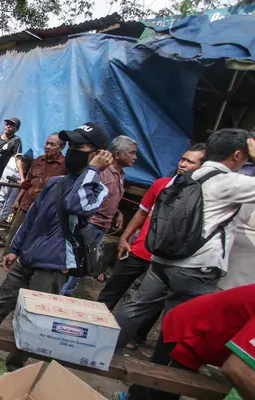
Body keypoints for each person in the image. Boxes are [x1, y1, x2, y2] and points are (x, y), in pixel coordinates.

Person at [0, 123, 112, 368]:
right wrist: (14, 249)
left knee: (32, 319)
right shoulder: (55, 182)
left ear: (97, 154)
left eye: (79, 146)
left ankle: (12, 368)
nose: (71, 151)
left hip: (53, 265)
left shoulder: (98, 190)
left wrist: (92, 170)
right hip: (27, 257)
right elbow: (33, 218)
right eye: (70, 145)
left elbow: (75, 205)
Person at [113, 129, 255, 354]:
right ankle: (155, 384)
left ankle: (100, 351)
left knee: (135, 308)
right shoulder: (230, 183)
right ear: (237, 155)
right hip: (196, 269)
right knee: (182, 326)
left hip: (161, 259)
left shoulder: (183, 178)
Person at [97, 144, 206, 350]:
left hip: (165, 259)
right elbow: (142, 213)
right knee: (113, 288)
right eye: (182, 159)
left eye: (190, 162)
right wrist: (125, 238)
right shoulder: (161, 184)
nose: (182, 164)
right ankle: (92, 319)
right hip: (138, 250)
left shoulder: (200, 195)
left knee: (150, 303)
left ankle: (136, 337)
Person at [113, 284, 255, 400]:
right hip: (187, 334)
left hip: (206, 338)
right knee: (161, 388)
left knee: (159, 388)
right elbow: (237, 369)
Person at [61, 135, 138, 296]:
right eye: (131, 153)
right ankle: (61, 295)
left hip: (101, 227)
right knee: (75, 262)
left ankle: (66, 293)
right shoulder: (101, 172)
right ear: (117, 154)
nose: (135, 157)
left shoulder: (119, 175)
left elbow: (105, 196)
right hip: (90, 224)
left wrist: (117, 212)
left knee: (82, 263)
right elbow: (86, 196)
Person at [0, 134, 66, 260]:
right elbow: (27, 183)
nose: (48, 147)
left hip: (45, 209)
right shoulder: (39, 160)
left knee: (36, 234)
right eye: (47, 143)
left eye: (52, 144)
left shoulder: (65, 166)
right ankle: (6, 257)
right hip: (26, 204)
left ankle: (26, 260)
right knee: (15, 231)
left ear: (62, 147)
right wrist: (17, 201)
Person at [0, 154, 23, 225]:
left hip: (9, 167)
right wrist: (22, 176)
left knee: (2, 195)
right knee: (10, 197)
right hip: (15, 170)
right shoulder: (30, 145)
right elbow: (18, 158)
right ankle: (1, 218)